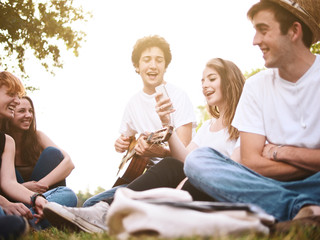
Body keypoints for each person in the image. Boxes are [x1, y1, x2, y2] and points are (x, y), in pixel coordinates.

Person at [43, 57, 246, 233]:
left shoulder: (244, 124)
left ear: (229, 82)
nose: (204, 85)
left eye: (211, 79)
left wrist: (187, 180)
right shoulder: (207, 127)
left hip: (215, 192)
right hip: (188, 185)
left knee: (168, 169)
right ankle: (103, 212)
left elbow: (234, 171)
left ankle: (108, 214)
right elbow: (184, 160)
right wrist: (167, 124)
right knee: (168, 167)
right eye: (202, 81)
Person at [184, 0, 320, 223]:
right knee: (197, 160)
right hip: (267, 185)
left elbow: (261, 162)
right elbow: (251, 162)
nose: (255, 41)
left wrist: (280, 152)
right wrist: (311, 161)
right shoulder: (256, 86)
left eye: (263, 31)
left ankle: (286, 208)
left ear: (294, 31)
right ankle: (299, 208)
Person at [82, 35, 196, 207]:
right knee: (90, 204)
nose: (153, 65)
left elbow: (183, 156)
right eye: (147, 60)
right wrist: (121, 144)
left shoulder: (179, 96)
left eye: (159, 60)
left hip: (175, 175)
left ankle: (113, 209)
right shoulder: (132, 104)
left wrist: (161, 152)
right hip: (146, 177)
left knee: (108, 205)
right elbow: (124, 140)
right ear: (137, 66)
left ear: (165, 66)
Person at [0, 71, 78, 232]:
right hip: (5, 201)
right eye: (11, 94)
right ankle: (25, 223)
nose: (16, 100)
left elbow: (9, 182)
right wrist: (6, 203)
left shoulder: (7, 142)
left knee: (67, 194)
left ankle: (25, 222)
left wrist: (37, 197)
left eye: (18, 95)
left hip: (19, 198)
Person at [1, 96, 74, 192]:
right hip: (12, 198)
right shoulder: (3, 140)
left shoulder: (37, 136)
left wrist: (40, 185)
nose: (28, 115)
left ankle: (44, 202)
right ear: (9, 113)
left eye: (30, 111)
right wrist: (22, 189)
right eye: (22, 111)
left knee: (52, 153)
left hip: (41, 193)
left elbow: (68, 163)